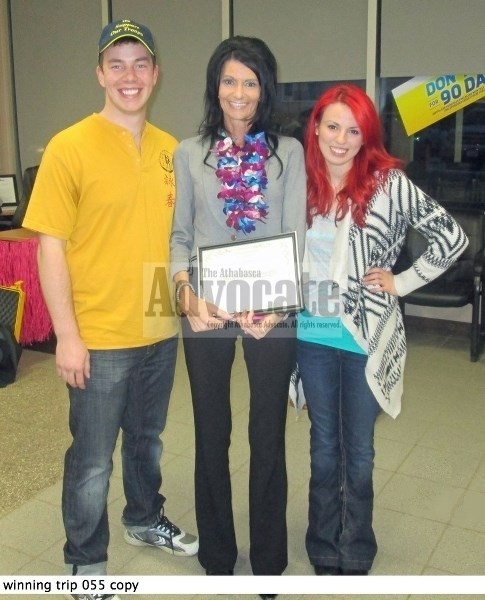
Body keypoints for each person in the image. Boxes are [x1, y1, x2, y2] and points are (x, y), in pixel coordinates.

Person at [22, 18, 198, 597]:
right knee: (94, 456)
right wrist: (66, 336)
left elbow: (185, 241)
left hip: (156, 325)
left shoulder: (174, 151)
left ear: (156, 74)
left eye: (140, 64)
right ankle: (85, 556)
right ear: (99, 73)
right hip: (96, 334)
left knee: (147, 440)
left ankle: (144, 518)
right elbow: (50, 246)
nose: (129, 76)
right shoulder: (69, 147)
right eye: (116, 64)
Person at [296, 83, 468, 576]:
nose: (341, 139)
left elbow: (450, 237)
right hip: (312, 335)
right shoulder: (300, 183)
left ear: (367, 136)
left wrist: (402, 280)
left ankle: (358, 541)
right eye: (333, 126)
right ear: (317, 128)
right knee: (324, 445)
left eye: (354, 130)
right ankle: (322, 538)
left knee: (361, 452)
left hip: (365, 339)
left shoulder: (387, 184)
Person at [170, 35, 306, 588]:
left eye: (250, 81)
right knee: (210, 429)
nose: (239, 92)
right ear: (215, 87)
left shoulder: (287, 153)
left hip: (270, 310)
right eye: (229, 80)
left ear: (264, 89)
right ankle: (218, 556)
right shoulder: (189, 153)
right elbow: (179, 236)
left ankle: (269, 559)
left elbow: (295, 237)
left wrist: (276, 307)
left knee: (267, 432)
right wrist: (184, 294)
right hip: (205, 307)